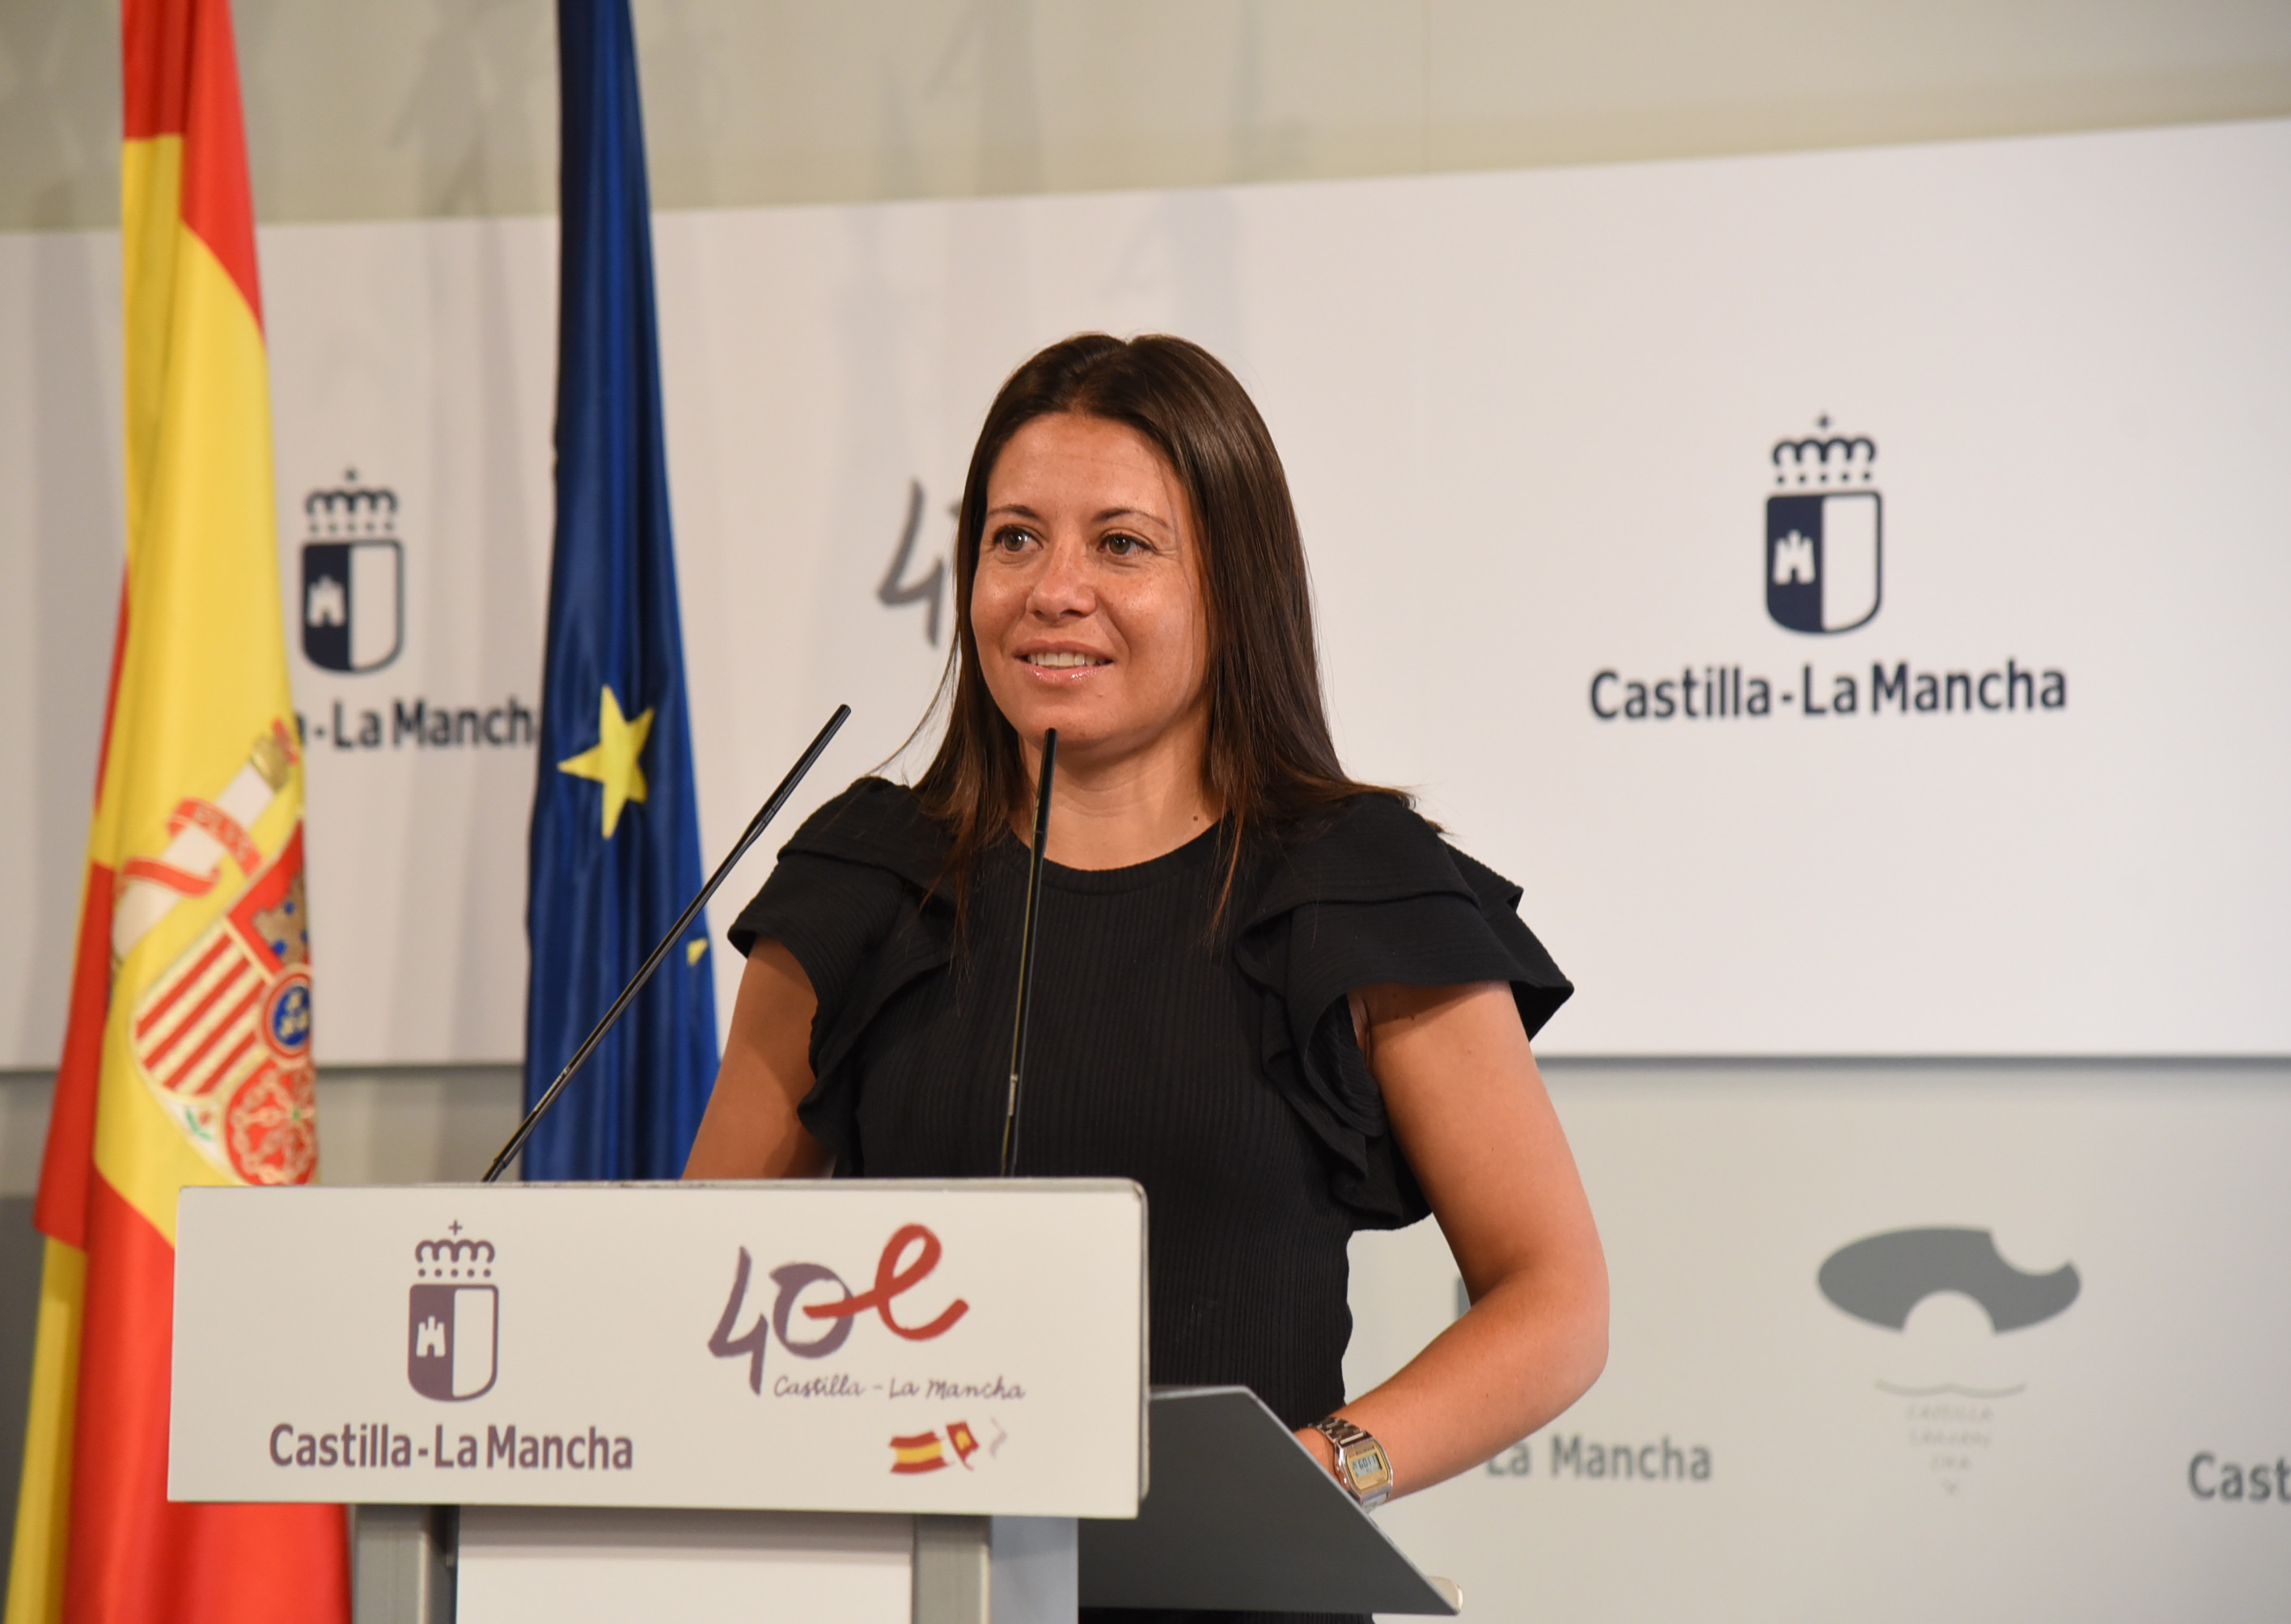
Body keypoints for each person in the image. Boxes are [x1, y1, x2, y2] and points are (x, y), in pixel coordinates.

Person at [685, 332, 1606, 1619]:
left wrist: (1324, 1472)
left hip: (1233, 1595)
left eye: (1122, 544)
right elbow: (707, 1285)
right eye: (1014, 539)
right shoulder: (865, 884)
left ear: (1234, 584)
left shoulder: (1354, 886)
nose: (1054, 590)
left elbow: (1555, 1297)